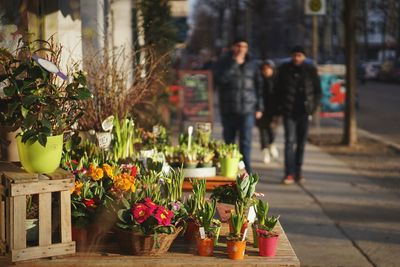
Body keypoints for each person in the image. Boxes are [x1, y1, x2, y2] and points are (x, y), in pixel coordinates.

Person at [214, 38, 263, 173]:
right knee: (229, 141)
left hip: (247, 109)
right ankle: (230, 168)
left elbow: (259, 86)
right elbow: (220, 80)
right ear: (232, 47)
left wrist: (259, 107)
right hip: (229, 109)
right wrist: (234, 64)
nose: (241, 49)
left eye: (244, 46)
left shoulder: (252, 64)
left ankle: (246, 169)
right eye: (238, 46)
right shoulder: (224, 63)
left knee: (246, 142)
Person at [276, 46, 322, 184]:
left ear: (304, 57)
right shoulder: (284, 69)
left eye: (300, 55)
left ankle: (298, 171)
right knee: (289, 142)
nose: (297, 58)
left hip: (304, 112)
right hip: (289, 112)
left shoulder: (310, 70)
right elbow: (277, 89)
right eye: (295, 55)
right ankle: (288, 173)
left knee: (301, 144)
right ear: (291, 56)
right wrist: (280, 107)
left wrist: (312, 108)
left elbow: (317, 91)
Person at [256, 60, 280, 164]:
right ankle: (265, 151)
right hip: (261, 110)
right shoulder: (258, 81)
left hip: (274, 110)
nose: (266, 71)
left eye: (268, 69)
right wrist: (257, 109)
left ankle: (271, 144)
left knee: (272, 130)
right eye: (264, 69)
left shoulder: (277, 81)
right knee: (263, 131)